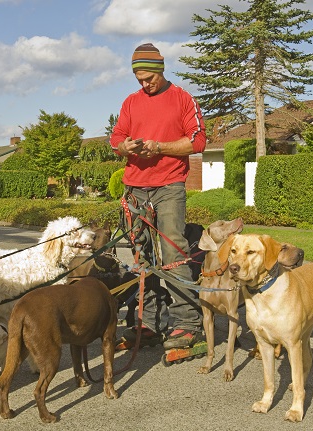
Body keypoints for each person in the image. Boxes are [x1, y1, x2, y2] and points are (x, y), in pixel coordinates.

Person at [110, 43, 207, 351]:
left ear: (161, 70)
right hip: (135, 188)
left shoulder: (182, 99)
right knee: (141, 258)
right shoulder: (130, 102)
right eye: (139, 79)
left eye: (148, 77)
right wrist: (126, 147)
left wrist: (159, 147)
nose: (144, 84)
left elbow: (198, 140)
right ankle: (146, 321)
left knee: (173, 254)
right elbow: (115, 138)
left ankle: (186, 324)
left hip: (169, 188)